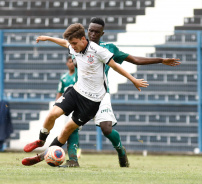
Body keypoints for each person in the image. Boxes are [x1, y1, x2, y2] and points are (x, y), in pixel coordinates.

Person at [22, 23, 149, 166]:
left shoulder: (98, 51)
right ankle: (41, 140)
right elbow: (65, 42)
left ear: (83, 39)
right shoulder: (73, 45)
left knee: (67, 130)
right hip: (76, 92)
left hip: (92, 101)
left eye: (75, 43)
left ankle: (41, 157)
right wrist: (48, 38)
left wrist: (133, 80)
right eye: (71, 44)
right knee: (52, 114)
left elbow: (115, 66)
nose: (72, 47)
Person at [60, 17, 181, 167]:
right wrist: (46, 38)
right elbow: (64, 42)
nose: (93, 34)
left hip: (101, 94)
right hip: (81, 93)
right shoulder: (77, 45)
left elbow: (135, 60)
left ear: (102, 33)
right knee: (72, 126)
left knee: (106, 129)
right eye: (90, 30)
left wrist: (161, 60)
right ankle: (73, 160)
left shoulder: (108, 48)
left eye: (96, 32)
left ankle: (120, 150)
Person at [56, 56, 81, 167]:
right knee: (70, 129)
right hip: (67, 106)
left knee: (72, 129)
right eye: (69, 62)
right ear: (66, 63)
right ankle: (73, 156)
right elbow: (60, 92)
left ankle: (75, 153)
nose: (71, 64)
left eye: (73, 61)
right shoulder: (64, 78)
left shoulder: (79, 74)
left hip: (79, 105)